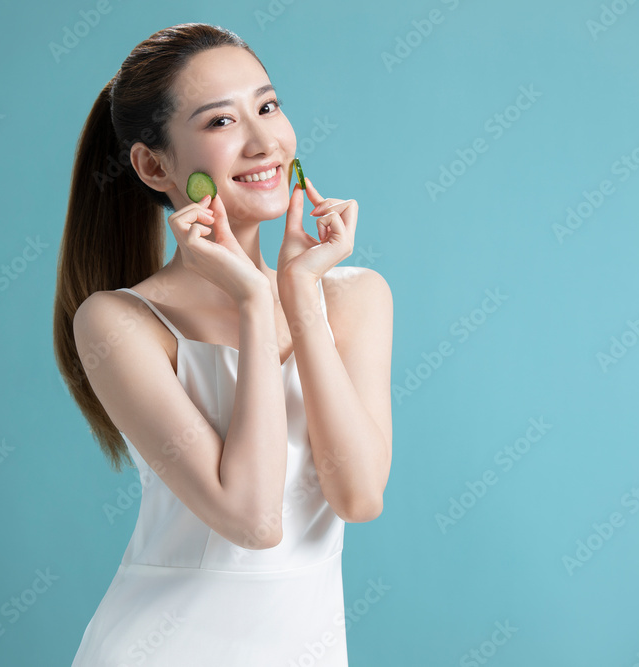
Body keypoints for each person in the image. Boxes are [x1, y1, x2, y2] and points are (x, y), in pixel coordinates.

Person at [53, 22, 393, 666]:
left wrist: (296, 291)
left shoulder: (354, 297)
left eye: (267, 106)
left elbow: (359, 496)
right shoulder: (119, 322)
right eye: (220, 123)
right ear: (155, 166)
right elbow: (254, 519)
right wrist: (254, 302)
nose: (264, 141)